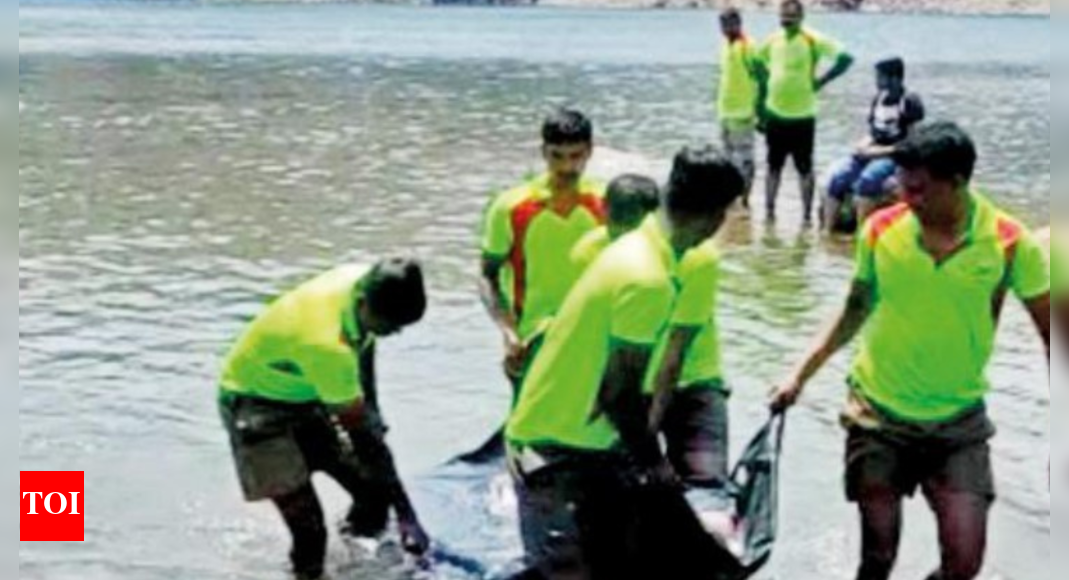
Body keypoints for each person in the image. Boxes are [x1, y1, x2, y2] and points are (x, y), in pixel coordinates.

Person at [770, 122, 1050, 580]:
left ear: (958, 182)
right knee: (877, 558)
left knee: (964, 563)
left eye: (919, 189)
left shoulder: (1010, 242)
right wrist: (799, 375)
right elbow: (854, 308)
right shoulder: (881, 229)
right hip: (877, 414)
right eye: (901, 184)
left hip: (959, 421)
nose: (906, 197)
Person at [505, 147, 745, 578]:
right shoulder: (647, 278)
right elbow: (617, 394)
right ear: (716, 216)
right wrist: (655, 464)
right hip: (553, 453)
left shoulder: (639, 247)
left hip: (591, 446)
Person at [219, 260, 431, 580]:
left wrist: (370, 405)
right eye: (388, 326)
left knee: (373, 495)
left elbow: (366, 344)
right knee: (310, 534)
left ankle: (355, 566)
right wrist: (408, 517)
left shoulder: (360, 279)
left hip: (307, 390)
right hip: (256, 407)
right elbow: (365, 441)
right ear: (363, 303)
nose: (393, 334)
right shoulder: (328, 346)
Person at [572, 176, 733, 489]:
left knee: (706, 487)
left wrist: (649, 442)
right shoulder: (587, 252)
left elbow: (674, 354)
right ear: (604, 214)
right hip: (627, 384)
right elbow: (589, 332)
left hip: (691, 381)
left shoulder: (697, 256)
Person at [480, 108, 605, 395]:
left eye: (576, 156)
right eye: (557, 156)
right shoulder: (511, 207)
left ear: (589, 152)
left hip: (593, 339)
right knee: (527, 430)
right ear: (543, 152)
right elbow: (487, 276)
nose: (566, 167)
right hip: (531, 339)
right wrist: (508, 332)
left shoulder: (606, 204)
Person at [756, 0, 854, 225]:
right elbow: (756, 61)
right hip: (775, 114)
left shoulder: (813, 39)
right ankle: (769, 214)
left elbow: (846, 58)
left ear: (801, 17)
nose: (786, 23)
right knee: (773, 167)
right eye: (783, 18)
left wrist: (822, 80)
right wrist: (761, 106)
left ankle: (807, 217)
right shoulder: (773, 39)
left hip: (803, 117)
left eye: (791, 19)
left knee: (805, 168)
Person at [824, 57, 926, 233]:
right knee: (837, 178)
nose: (876, 81)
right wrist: (862, 147)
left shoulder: (908, 101)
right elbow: (873, 131)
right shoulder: (878, 99)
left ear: (895, 78)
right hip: (873, 149)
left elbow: (911, 142)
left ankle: (862, 232)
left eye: (880, 77)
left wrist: (879, 152)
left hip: (894, 154)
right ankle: (828, 230)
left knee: (868, 180)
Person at [570, 173, 660, 272]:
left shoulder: (664, 248)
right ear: (604, 207)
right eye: (617, 215)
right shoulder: (587, 251)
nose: (622, 228)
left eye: (631, 219)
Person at [717, 7, 761, 207]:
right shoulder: (725, 46)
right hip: (725, 112)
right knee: (726, 158)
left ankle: (745, 199)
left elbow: (761, 77)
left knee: (744, 159)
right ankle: (730, 198)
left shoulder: (748, 46)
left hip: (743, 113)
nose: (725, 28)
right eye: (722, 24)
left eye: (728, 23)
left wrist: (760, 109)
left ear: (738, 23)